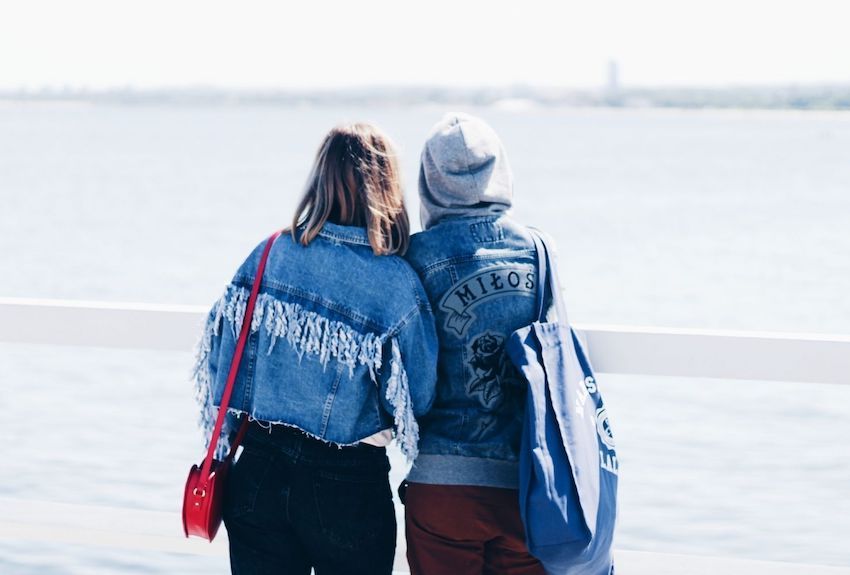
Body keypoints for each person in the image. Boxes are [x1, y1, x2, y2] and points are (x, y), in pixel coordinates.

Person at [191, 123, 438, 575]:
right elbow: (418, 399)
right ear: (386, 189)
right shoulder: (396, 286)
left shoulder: (268, 254)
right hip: (347, 482)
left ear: (319, 180)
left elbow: (220, 363)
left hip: (258, 468)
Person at [402, 113, 546, 575]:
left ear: (429, 180)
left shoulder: (414, 258)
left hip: (441, 485)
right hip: (527, 485)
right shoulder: (541, 254)